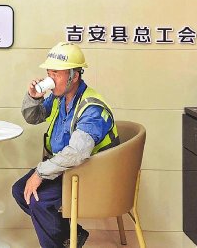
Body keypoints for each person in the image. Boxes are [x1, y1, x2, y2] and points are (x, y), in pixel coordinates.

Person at [11, 42, 120, 248]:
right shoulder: (59, 98)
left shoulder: (91, 108)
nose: (50, 79)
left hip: (91, 174)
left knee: (38, 200)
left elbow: (77, 153)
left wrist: (39, 173)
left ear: (74, 76)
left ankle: (60, 241)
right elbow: (33, 118)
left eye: (56, 74)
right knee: (20, 190)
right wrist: (34, 98)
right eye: (48, 73)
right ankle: (71, 235)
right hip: (68, 169)